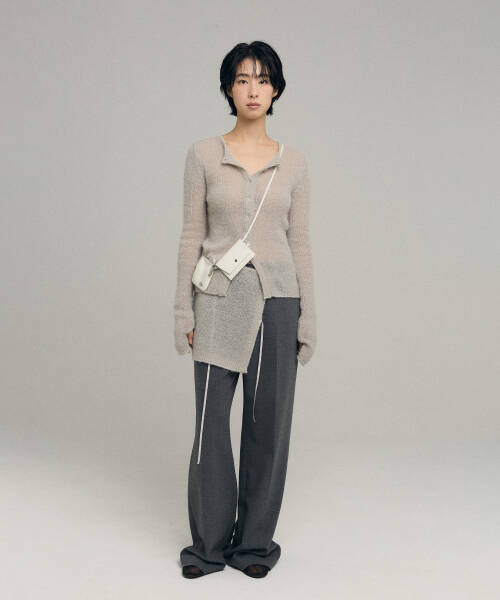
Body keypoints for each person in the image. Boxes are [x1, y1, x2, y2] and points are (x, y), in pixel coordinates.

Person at [173, 41, 317, 579]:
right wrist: (182, 311)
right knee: (210, 427)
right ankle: (208, 547)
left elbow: (299, 243)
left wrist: (308, 316)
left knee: (268, 427)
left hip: (279, 302)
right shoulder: (202, 155)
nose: (252, 89)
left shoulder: (294, 162)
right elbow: (191, 234)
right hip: (217, 300)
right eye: (241, 79)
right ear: (228, 88)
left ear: (275, 89)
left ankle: (253, 546)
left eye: (262, 79)